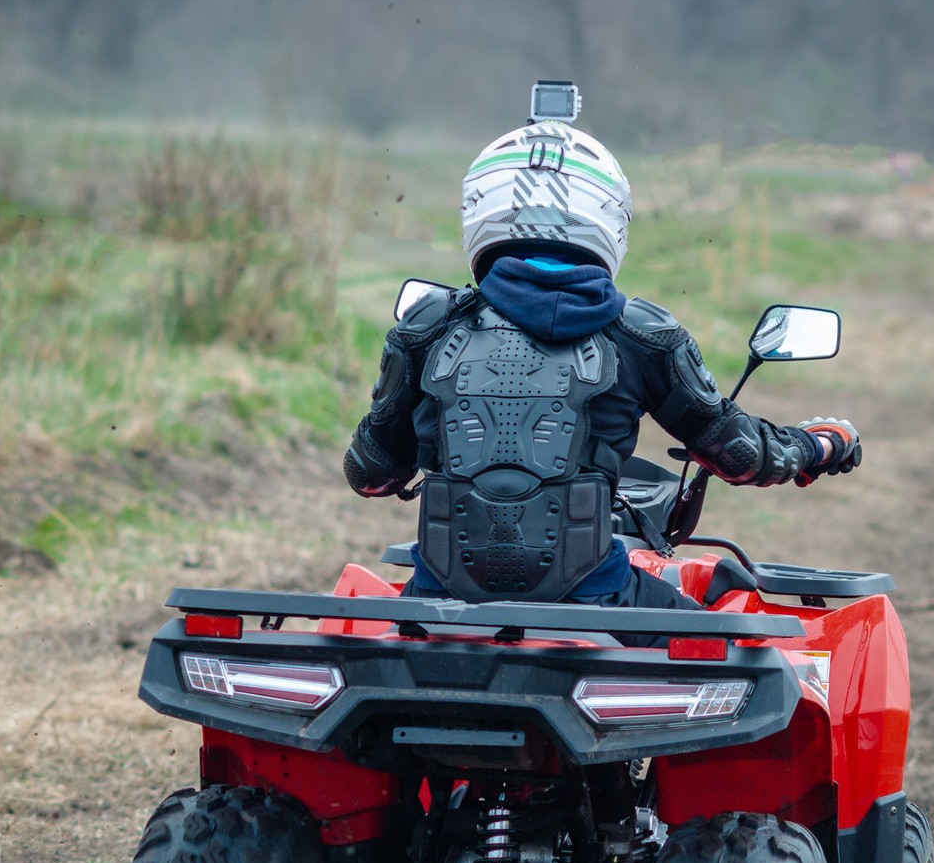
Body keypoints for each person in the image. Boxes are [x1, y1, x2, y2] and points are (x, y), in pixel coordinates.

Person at [343, 114, 861, 616]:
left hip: (440, 603)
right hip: (599, 601)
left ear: (480, 209)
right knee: (737, 649)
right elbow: (742, 456)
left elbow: (370, 473)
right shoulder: (642, 334)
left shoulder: (430, 325)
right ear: (608, 215)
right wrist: (819, 445)